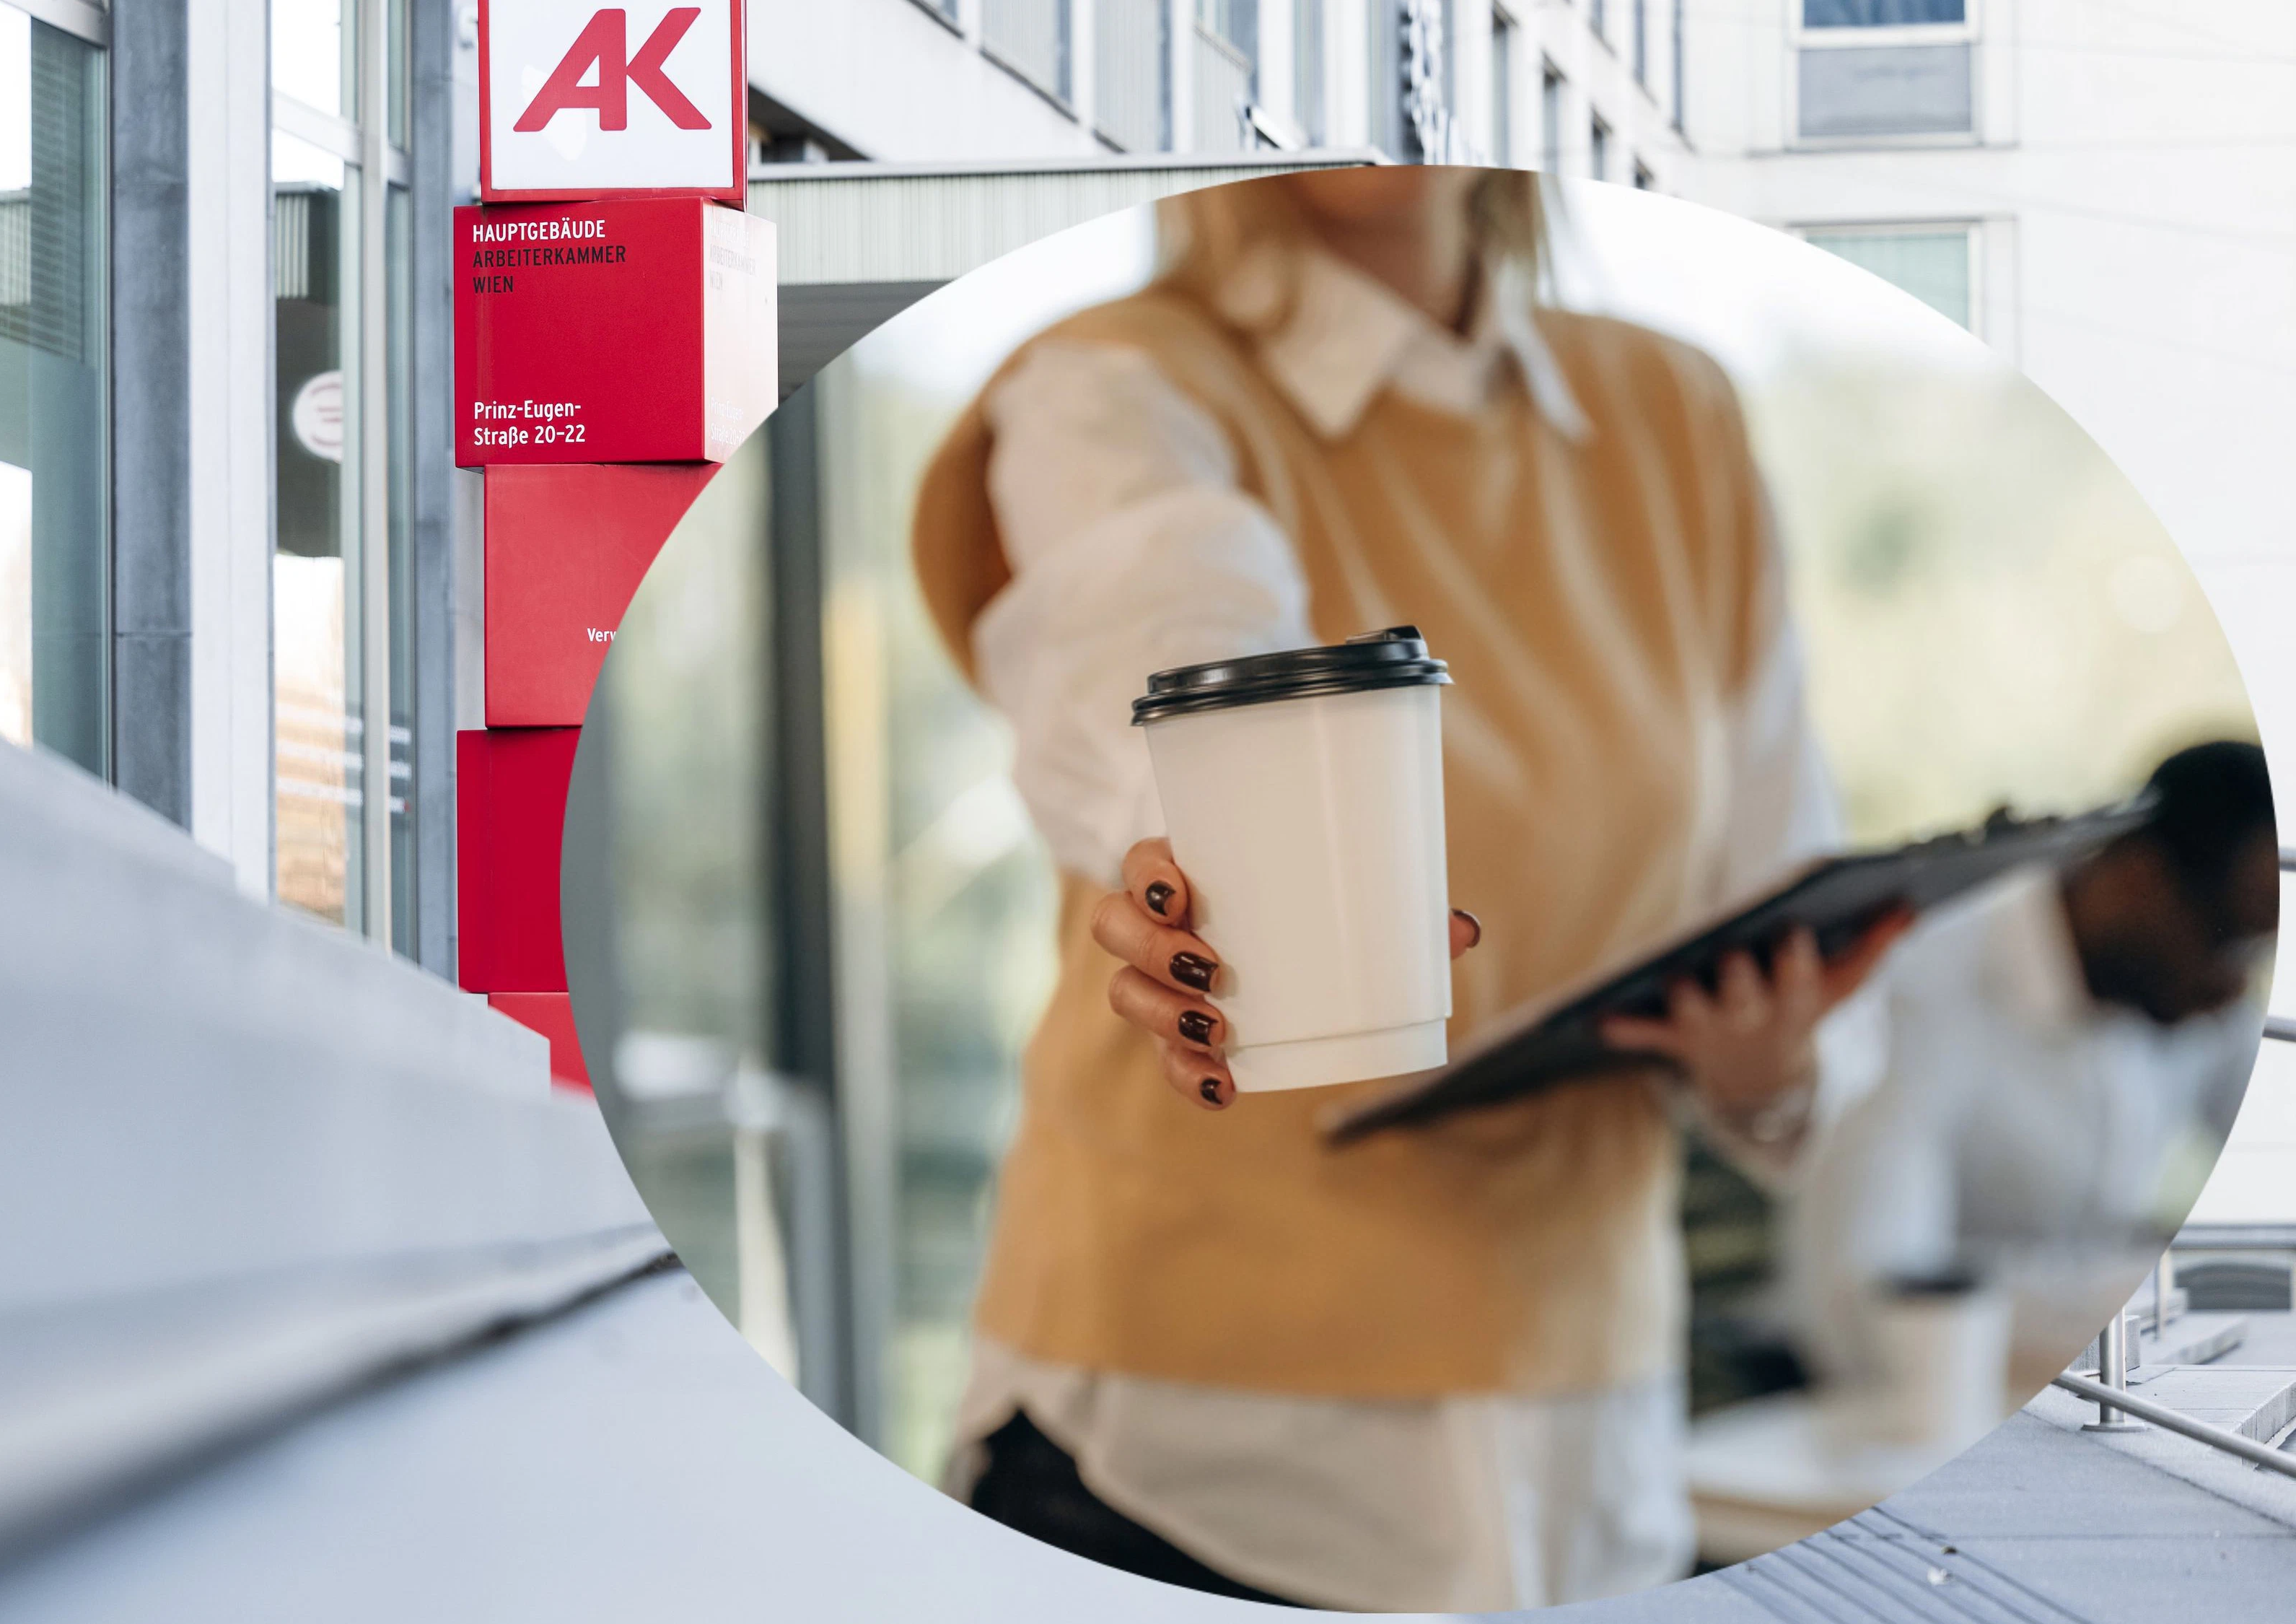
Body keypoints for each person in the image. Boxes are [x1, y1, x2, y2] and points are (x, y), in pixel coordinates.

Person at [908, 166, 1904, 1612]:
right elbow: (1163, 621)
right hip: (1183, 1461)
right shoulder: (1112, 385)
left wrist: (1765, 1067)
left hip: (1585, 1456)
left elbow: (1772, 869)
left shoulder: (1674, 419)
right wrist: (1203, 850)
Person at [1786, 742, 2276, 1390]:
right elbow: (1868, 1308)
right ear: (2140, 881)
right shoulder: (1922, 986)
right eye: (2237, 945)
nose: (2238, 993)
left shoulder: (2190, 993)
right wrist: (2174, 1291)